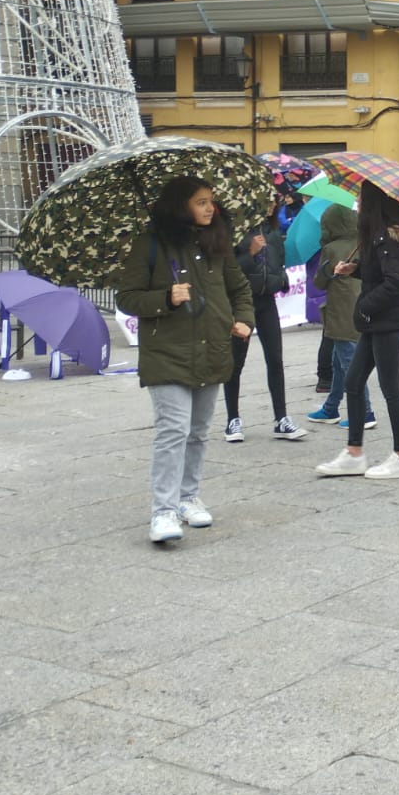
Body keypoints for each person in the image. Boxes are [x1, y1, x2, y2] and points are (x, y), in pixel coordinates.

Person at [116, 177, 255, 542]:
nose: (211, 208)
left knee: (197, 432)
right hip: (167, 353)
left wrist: (243, 319)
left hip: (212, 350)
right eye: (201, 202)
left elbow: (239, 288)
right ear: (181, 206)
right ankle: (162, 512)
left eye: (211, 201)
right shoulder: (150, 244)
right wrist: (166, 297)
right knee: (172, 431)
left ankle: (188, 497)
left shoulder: (216, 244)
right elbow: (127, 298)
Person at [314, 183, 399, 479]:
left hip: (388, 321)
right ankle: (354, 453)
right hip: (377, 321)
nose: (356, 202)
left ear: (371, 202)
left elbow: (395, 282)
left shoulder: (387, 238)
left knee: (390, 388)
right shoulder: (376, 237)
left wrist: (364, 307)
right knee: (353, 380)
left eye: (360, 197)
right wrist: (355, 269)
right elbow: (379, 274)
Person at [223, 200, 305, 443]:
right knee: (236, 362)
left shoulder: (272, 232)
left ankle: (281, 418)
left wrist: (282, 279)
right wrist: (250, 254)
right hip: (242, 304)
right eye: (266, 202)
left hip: (267, 302)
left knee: (275, 359)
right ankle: (232, 420)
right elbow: (229, 271)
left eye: (273, 203)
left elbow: (277, 264)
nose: (270, 207)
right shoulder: (237, 232)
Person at [306, 203, 378, 432]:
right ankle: (331, 407)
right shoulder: (363, 242)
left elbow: (319, 282)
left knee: (348, 365)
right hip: (361, 308)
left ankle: (365, 412)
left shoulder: (332, 247)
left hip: (340, 312)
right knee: (339, 363)